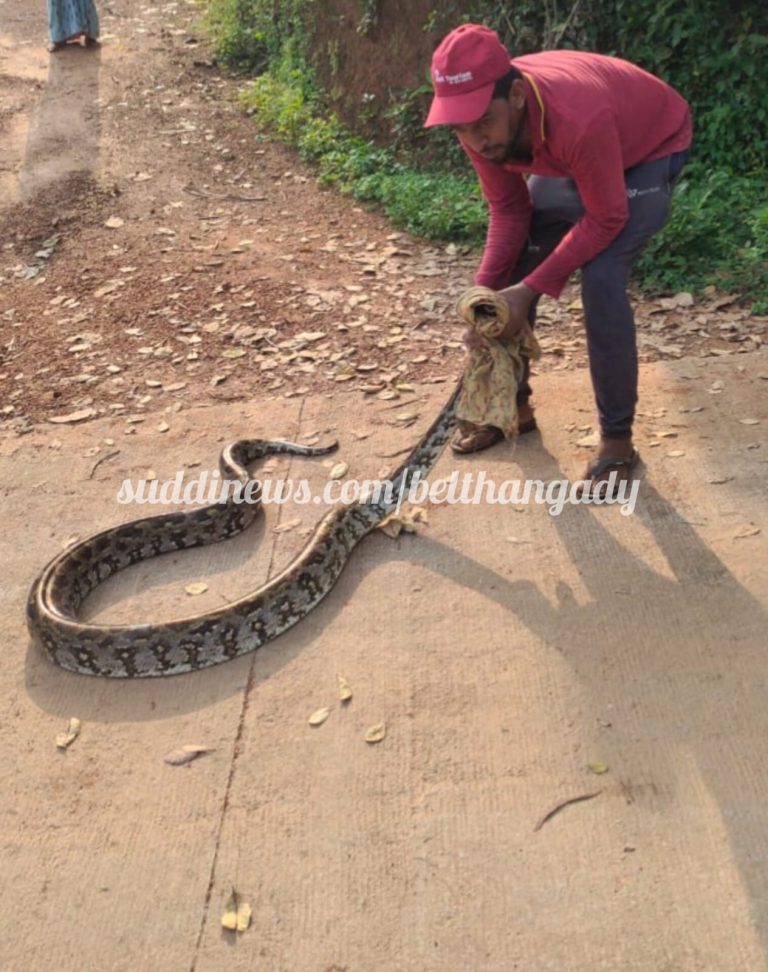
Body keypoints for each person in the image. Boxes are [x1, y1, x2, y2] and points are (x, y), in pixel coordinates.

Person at [424, 24, 692, 488]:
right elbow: (509, 209)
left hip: (649, 146)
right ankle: (512, 408)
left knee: (602, 277)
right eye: (460, 128)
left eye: (483, 122)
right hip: (580, 150)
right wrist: (484, 301)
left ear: (518, 97)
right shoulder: (480, 126)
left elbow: (607, 217)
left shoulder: (577, 117)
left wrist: (526, 293)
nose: (476, 140)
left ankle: (617, 443)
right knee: (516, 269)